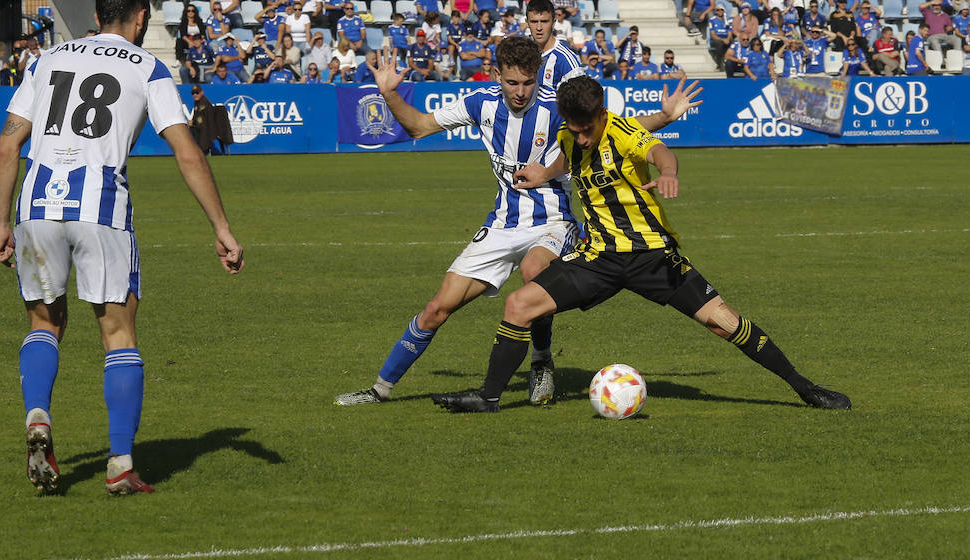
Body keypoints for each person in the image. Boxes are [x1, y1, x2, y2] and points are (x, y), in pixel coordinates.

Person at [430, 75, 851, 414]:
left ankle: (805, 388)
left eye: (585, 130)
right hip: (598, 258)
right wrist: (545, 174)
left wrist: (669, 171)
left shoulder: (624, 130)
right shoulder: (569, 134)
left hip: (653, 256)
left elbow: (661, 151)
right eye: (573, 131)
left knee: (724, 322)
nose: (580, 139)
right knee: (518, 305)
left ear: (601, 115)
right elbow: (567, 156)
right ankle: (488, 398)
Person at [335, 37, 700, 408]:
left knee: (533, 272)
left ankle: (541, 361)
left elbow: (610, 126)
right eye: (512, 83)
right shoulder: (480, 103)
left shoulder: (554, 106)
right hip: (502, 224)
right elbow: (418, 126)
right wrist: (390, 95)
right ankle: (379, 389)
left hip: (553, 220)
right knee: (436, 309)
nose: (521, 91)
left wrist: (665, 117)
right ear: (497, 75)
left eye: (528, 82)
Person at [0, 0, 244, 496]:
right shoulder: (147, 66)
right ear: (141, 17)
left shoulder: (47, 58)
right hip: (100, 205)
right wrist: (220, 227)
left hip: (36, 203)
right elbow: (187, 150)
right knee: (118, 333)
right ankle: (121, 464)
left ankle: (39, 415)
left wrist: (0, 222)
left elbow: (6, 145)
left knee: (44, 322)